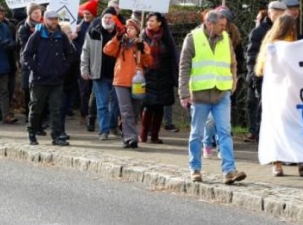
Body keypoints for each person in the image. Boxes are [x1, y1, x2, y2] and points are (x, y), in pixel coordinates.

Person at [178, 10, 246, 185]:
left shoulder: (226, 39)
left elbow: (232, 63)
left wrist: (232, 84)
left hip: (221, 93)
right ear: (209, 24)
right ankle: (195, 169)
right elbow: (184, 67)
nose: (224, 29)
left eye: (225, 25)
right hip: (199, 95)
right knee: (197, 134)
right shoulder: (192, 38)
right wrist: (184, 93)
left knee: (224, 132)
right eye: (221, 26)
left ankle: (229, 170)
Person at [255, 14, 303, 177]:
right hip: (275, 92)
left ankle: (301, 161)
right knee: (277, 126)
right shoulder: (272, 46)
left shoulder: (293, 44)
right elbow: (265, 68)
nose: (294, 31)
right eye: (292, 28)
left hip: (291, 92)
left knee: (295, 125)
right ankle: (277, 163)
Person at [23, 10, 76, 146]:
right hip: (39, 79)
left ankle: (57, 136)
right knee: (36, 107)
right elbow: (27, 55)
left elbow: (70, 54)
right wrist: (37, 69)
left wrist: (62, 68)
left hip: (56, 79)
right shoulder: (37, 35)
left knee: (56, 108)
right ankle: (32, 133)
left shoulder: (61, 36)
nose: (54, 21)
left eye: (56, 19)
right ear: (45, 20)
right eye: (51, 19)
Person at [104, 18, 153, 149]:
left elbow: (149, 63)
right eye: (127, 28)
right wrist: (117, 37)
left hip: (137, 81)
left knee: (135, 109)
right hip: (121, 80)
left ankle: (124, 129)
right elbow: (107, 50)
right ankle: (131, 137)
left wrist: (143, 52)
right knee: (126, 110)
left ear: (137, 31)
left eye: (131, 28)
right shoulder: (121, 42)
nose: (128, 30)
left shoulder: (142, 44)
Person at [244, 0, 286, 143]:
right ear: (269, 13)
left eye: (282, 13)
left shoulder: (287, 30)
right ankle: (262, 138)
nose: (279, 15)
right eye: (276, 12)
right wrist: (255, 77)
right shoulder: (259, 31)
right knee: (263, 110)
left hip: (281, 77)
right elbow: (252, 56)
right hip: (263, 77)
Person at [80, 9, 120, 140]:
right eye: (105, 17)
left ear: (114, 19)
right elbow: (85, 51)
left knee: (115, 104)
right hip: (99, 74)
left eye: (109, 17)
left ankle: (113, 126)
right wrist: (84, 69)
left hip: (117, 75)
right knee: (102, 104)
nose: (107, 20)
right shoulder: (93, 32)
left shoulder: (120, 34)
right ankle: (104, 131)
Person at [140, 13, 178, 144]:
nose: (149, 23)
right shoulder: (143, 36)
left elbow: (173, 56)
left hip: (164, 76)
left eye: (152, 21)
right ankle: (143, 134)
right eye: (148, 21)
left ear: (159, 23)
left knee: (159, 107)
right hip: (148, 76)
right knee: (148, 105)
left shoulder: (166, 37)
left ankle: (155, 135)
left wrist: (175, 76)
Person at [17, 3, 44, 117]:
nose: (38, 15)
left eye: (39, 12)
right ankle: (30, 114)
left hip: (43, 60)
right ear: (30, 14)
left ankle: (41, 114)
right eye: (35, 13)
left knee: (41, 88)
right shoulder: (24, 27)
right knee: (29, 88)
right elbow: (25, 44)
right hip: (29, 61)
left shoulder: (45, 25)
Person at [75, 1, 97, 130]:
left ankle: (91, 114)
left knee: (93, 90)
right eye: (85, 13)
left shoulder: (96, 25)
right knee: (84, 90)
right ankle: (84, 113)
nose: (86, 15)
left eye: (88, 13)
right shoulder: (79, 26)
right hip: (82, 61)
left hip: (94, 61)